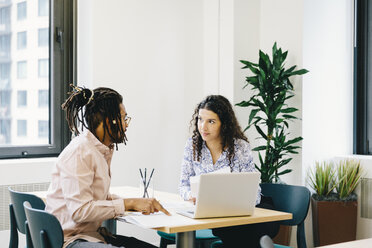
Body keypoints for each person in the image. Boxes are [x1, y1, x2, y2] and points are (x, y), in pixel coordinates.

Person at [45, 85, 169, 248]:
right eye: (124, 118)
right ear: (108, 120)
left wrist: (135, 202)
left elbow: (93, 197)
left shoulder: (97, 149)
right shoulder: (80, 152)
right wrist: (128, 204)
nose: (126, 125)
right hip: (71, 240)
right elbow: (80, 211)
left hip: (91, 236)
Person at [179, 95, 279, 248]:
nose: (203, 127)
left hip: (243, 214)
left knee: (239, 229)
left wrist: (236, 202)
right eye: (200, 119)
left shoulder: (240, 147)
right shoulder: (192, 146)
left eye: (211, 121)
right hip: (213, 216)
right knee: (230, 231)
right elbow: (183, 186)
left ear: (223, 124)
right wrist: (192, 195)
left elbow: (254, 193)